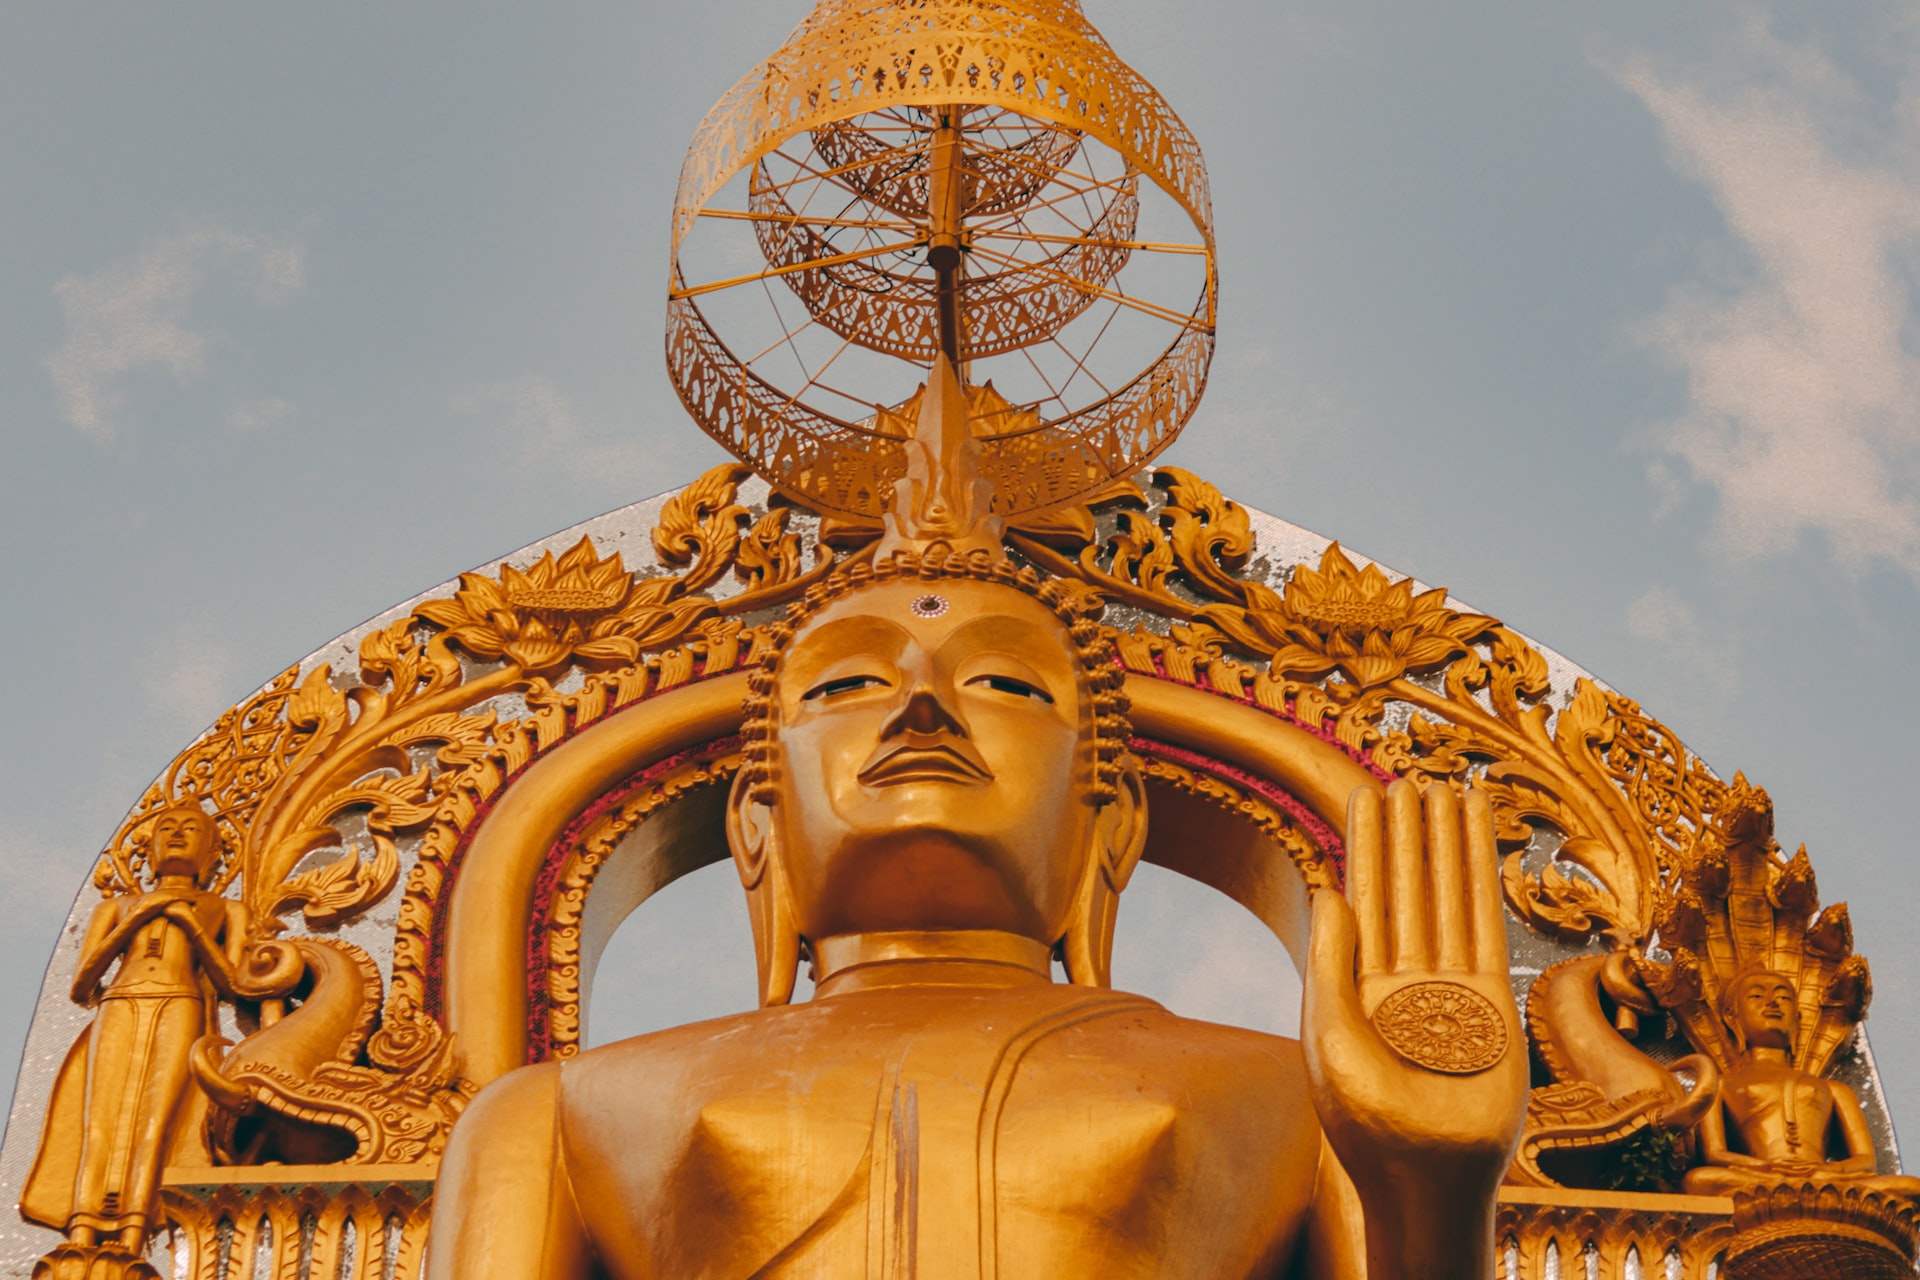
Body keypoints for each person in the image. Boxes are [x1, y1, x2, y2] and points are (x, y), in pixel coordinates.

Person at [429, 534, 1528, 1277]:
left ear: (1113, 828)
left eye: (1005, 684)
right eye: (844, 685)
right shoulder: (562, 1112)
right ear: (753, 828)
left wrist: (1433, 1197)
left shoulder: (1297, 1100)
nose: (921, 709)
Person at [23, 803, 252, 1259]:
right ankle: (83, 1227)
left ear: (212, 852)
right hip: (119, 1005)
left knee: (156, 1123)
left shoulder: (226, 909)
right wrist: (135, 920)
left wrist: (191, 926)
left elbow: (233, 983)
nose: (177, 835)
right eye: (166, 828)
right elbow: (82, 985)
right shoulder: (117, 906)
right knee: (100, 1120)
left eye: (191, 830)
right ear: (148, 849)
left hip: (180, 1003)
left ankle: (135, 1230)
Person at [1684, 968, 1920, 1199]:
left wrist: (1827, 1171)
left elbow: (1865, 1160)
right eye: (1757, 996)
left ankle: (1794, 1191)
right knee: (1698, 1181)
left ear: (1797, 1019)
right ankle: (1797, 1191)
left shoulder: (1834, 1089)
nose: (1772, 1003)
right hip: (1762, 1176)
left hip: (1821, 1178)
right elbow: (1714, 1153)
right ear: (1731, 1017)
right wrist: (1765, 1167)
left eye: (1784, 997)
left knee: (1912, 1187)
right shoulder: (1721, 1085)